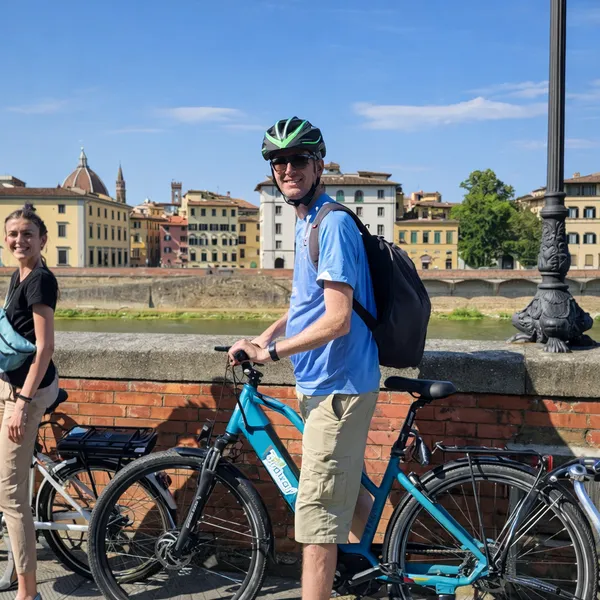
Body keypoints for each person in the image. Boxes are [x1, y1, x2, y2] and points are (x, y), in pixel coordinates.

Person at [229, 118, 380, 600]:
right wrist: (263, 335)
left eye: (298, 159)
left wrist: (271, 352)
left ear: (319, 165)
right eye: (279, 162)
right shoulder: (307, 222)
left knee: (316, 524)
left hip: (339, 387)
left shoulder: (331, 224)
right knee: (345, 497)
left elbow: (337, 319)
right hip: (325, 385)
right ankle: (392, 563)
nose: (287, 168)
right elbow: (306, 305)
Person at [0, 204, 59, 600]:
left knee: (11, 496)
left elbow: (44, 346)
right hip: (10, 384)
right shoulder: (17, 274)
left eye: (27, 234)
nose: (19, 240)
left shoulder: (39, 280)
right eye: (13, 234)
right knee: (6, 482)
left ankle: (27, 592)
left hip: (28, 392)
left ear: (42, 240)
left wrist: (21, 403)